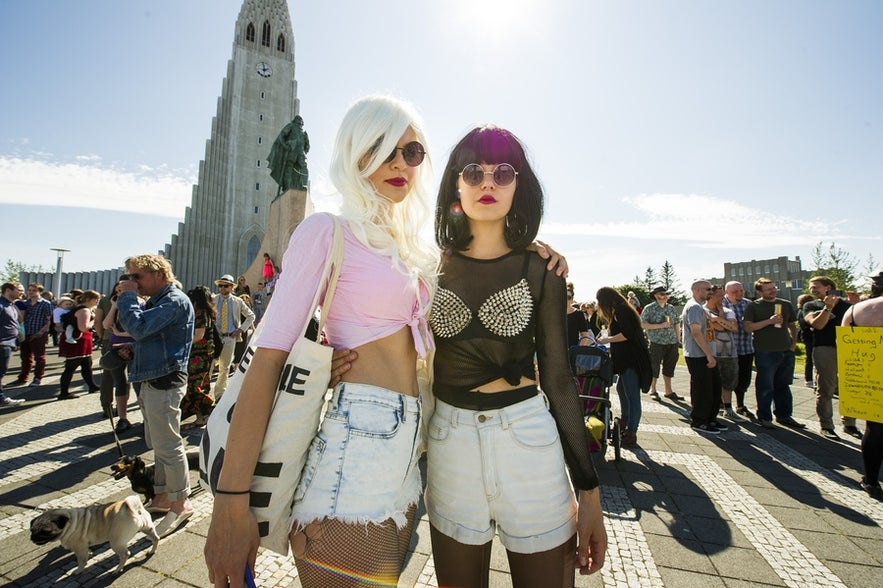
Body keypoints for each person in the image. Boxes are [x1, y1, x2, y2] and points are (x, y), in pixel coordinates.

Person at [204, 95, 442, 588]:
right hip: (358, 443)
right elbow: (267, 360)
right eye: (381, 147)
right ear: (355, 152)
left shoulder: (409, 247)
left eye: (411, 152)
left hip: (409, 446)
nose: (399, 163)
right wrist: (230, 504)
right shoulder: (326, 231)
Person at [428, 124, 606, 586]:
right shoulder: (426, 270)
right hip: (451, 446)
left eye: (503, 172)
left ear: (518, 186)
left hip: (528, 440)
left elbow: (559, 377)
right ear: (455, 184)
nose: (487, 181)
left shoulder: (542, 269)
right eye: (473, 171)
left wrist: (588, 490)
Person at [117, 254, 195, 536]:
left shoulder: (173, 300)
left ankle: (181, 502)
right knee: (158, 442)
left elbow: (137, 327)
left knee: (169, 445)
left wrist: (126, 298)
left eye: (138, 276)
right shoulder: (158, 301)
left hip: (164, 380)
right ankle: (162, 497)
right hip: (152, 377)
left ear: (159, 274)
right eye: (130, 277)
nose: (132, 282)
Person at [841, 271, 883, 499]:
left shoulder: (858, 309)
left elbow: (845, 342)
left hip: (870, 374)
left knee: (875, 428)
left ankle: (872, 480)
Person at [743, 278, 805, 430]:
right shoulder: (754, 306)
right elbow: (748, 327)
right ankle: (764, 417)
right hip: (765, 352)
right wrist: (768, 322)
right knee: (765, 386)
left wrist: (793, 345)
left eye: (774, 288)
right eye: (768, 289)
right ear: (759, 292)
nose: (773, 291)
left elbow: (792, 325)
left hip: (785, 351)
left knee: (783, 386)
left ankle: (784, 415)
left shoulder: (785, 304)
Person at [803, 276, 859, 440]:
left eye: (816, 287)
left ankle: (849, 424)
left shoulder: (847, 306)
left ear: (828, 287)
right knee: (825, 388)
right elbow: (817, 324)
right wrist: (827, 308)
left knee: (849, 388)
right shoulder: (811, 305)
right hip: (824, 349)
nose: (812, 290)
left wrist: (858, 306)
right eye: (811, 287)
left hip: (847, 349)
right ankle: (826, 425)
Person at [596, 287, 652, 446]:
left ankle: (631, 431)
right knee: (622, 388)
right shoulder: (622, 309)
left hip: (630, 360)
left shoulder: (622, 311)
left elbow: (626, 334)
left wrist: (607, 340)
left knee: (633, 395)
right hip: (625, 360)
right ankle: (625, 421)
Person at [682, 280, 724, 434]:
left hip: (706, 353)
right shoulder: (693, 307)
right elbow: (696, 332)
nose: (711, 292)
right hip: (698, 355)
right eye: (708, 289)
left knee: (713, 387)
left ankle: (710, 418)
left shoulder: (700, 307)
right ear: (698, 290)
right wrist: (708, 354)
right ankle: (699, 420)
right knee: (703, 389)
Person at [101, 276, 138, 433]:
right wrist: (115, 307)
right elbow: (105, 324)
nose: (120, 290)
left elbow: (138, 329)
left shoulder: (140, 302)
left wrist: (119, 333)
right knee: (119, 382)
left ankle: (145, 418)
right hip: (115, 346)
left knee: (137, 381)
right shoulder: (114, 303)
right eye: (119, 288)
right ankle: (123, 418)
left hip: (133, 347)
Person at [211, 274, 255, 399]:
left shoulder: (238, 301)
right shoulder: (213, 299)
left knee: (225, 368)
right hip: (215, 338)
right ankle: (204, 397)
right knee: (209, 366)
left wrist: (240, 329)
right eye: (220, 286)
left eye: (225, 286)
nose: (222, 288)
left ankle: (219, 395)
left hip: (230, 337)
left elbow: (251, 316)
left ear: (231, 288)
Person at [641, 286, 683, 401]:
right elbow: (643, 324)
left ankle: (668, 391)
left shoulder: (671, 308)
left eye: (666, 294)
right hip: (656, 342)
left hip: (672, 341)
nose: (665, 296)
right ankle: (653, 389)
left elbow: (677, 323)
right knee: (654, 366)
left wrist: (678, 338)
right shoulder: (649, 308)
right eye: (662, 294)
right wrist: (659, 326)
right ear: (655, 295)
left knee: (669, 367)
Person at [182, 285, 217, 427]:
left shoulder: (201, 313)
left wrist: (180, 342)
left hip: (199, 355)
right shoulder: (204, 311)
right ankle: (201, 416)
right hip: (201, 353)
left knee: (196, 385)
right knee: (198, 384)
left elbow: (198, 335)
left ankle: (205, 414)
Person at [58, 290, 101, 400]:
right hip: (78, 340)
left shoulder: (82, 309)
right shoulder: (84, 310)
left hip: (81, 340)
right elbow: (83, 327)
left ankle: (92, 386)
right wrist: (94, 321)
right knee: (71, 366)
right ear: (88, 299)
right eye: (96, 299)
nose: (97, 301)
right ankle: (64, 392)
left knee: (87, 364)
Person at [722, 281, 757, 420]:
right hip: (727, 350)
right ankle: (725, 405)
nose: (739, 294)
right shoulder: (721, 305)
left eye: (741, 290)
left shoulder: (748, 304)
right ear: (727, 293)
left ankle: (741, 405)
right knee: (728, 379)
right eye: (734, 292)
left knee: (744, 379)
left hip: (746, 347)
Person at [705, 285, 740, 419]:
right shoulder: (703, 310)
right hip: (712, 351)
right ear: (711, 296)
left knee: (729, 380)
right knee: (713, 381)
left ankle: (728, 407)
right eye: (719, 295)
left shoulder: (727, 310)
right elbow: (716, 327)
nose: (722, 298)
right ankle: (714, 406)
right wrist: (723, 323)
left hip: (729, 352)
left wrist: (719, 318)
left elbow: (734, 327)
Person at [13, 283, 53, 387]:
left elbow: (49, 320)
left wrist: (41, 332)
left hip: (38, 333)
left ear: (39, 292)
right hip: (26, 332)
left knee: (39, 357)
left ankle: (38, 377)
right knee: (25, 357)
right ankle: (23, 377)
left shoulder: (45, 303)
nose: (30, 292)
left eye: (34, 290)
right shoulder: (25, 303)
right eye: (29, 290)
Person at [1, 282, 26, 407]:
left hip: (8, 343)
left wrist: (15, 341)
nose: (22, 292)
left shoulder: (11, 305)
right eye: (19, 290)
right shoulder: (1, 305)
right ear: (8, 290)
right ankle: (2, 399)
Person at [795, 293, 815, 388]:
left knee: (810, 357)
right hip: (809, 336)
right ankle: (808, 379)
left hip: (807, 336)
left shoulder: (800, 311)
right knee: (810, 357)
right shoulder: (804, 311)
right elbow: (805, 324)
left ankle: (809, 378)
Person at [566, 282, 592, 346]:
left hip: (573, 350)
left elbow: (585, 336)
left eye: (568, 297)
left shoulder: (579, 314)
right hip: (556, 351)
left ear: (572, 299)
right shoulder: (554, 314)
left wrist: (577, 351)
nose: (565, 299)